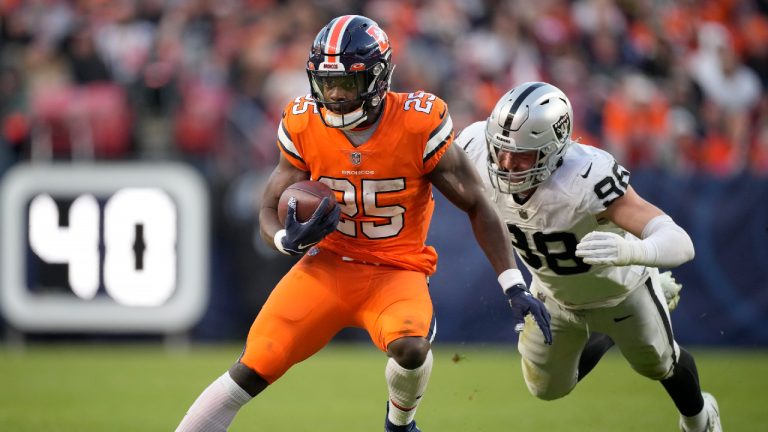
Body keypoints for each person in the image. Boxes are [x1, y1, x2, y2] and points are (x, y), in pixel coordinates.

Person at [176, 16, 551, 432]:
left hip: (396, 269)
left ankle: (399, 423)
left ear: (377, 78)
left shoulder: (417, 122)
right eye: (326, 82)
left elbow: (478, 203)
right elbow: (267, 209)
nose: (334, 95)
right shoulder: (303, 121)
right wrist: (286, 239)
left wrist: (512, 281)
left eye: (347, 84)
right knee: (252, 366)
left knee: (411, 347)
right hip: (327, 268)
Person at [459, 81, 722, 432]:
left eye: (522, 154)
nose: (506, 163)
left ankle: (700, 419)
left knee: (658, 364)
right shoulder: (475, 146)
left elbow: (680, 241)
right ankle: (607, 334)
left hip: (620, 293)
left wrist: (636, 251)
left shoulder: (585, 177)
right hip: (552, 294)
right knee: (546, 389)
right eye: (500, 149)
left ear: (553, 150)